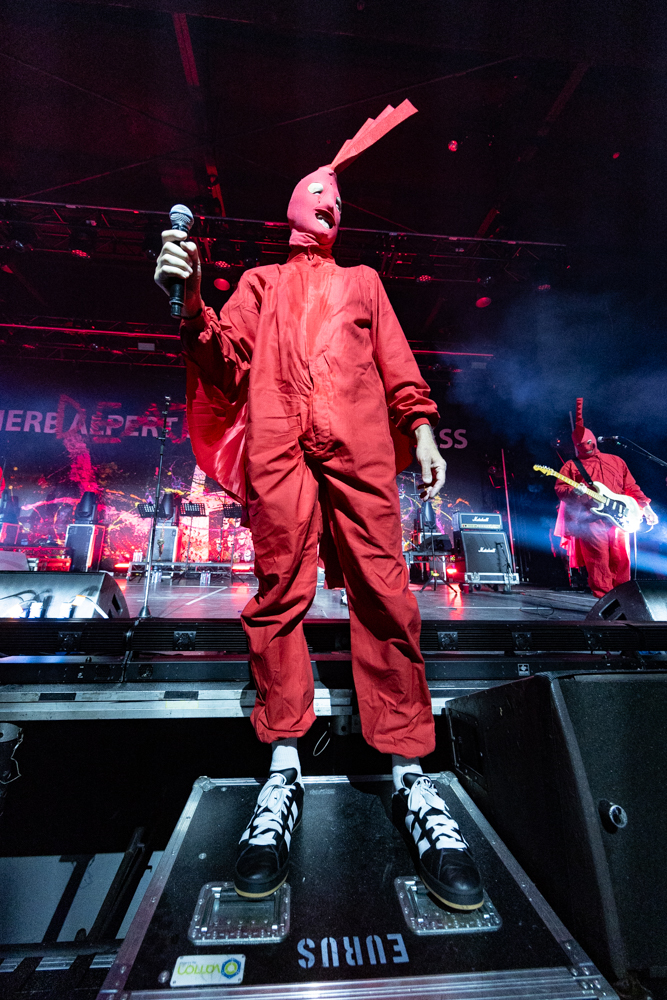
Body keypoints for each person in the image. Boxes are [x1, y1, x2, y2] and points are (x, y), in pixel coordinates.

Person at [154, 102, 484, 911]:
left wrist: (423, 431)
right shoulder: (260, 284)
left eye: (340, 193)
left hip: (360, 450)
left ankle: (409, 772)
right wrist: (188, 305)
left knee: (386, 594)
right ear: (294, 207)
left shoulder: (363, 281)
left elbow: (398, 363)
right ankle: (282, 769)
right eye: (319, 189)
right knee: (277, 596)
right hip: (278, 449)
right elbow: (224, 363)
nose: (333, 198)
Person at [554, 398, 657, 598]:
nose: (586, 447)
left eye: (588, 443)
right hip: (590, 518)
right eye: (581, 445)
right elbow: (560, 489)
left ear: (594, 439)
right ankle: (605, 599)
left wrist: (646, 508)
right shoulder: (572, 466)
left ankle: (624, 598)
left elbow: (631, 488)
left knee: (622, 558)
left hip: (619, 516)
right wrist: (574, 492)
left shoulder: (616, 461)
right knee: (598, 560)